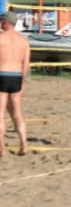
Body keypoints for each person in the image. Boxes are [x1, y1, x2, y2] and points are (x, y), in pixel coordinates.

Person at [0, 11, 30, 156]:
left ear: (6, 22)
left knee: (0, 114)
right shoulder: (23, 41)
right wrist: (23, 82)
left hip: (2, 74)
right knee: (17, 114)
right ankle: (23, 144)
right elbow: (26, 64)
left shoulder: (1, 38)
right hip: (16, 76)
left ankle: (2, 148)